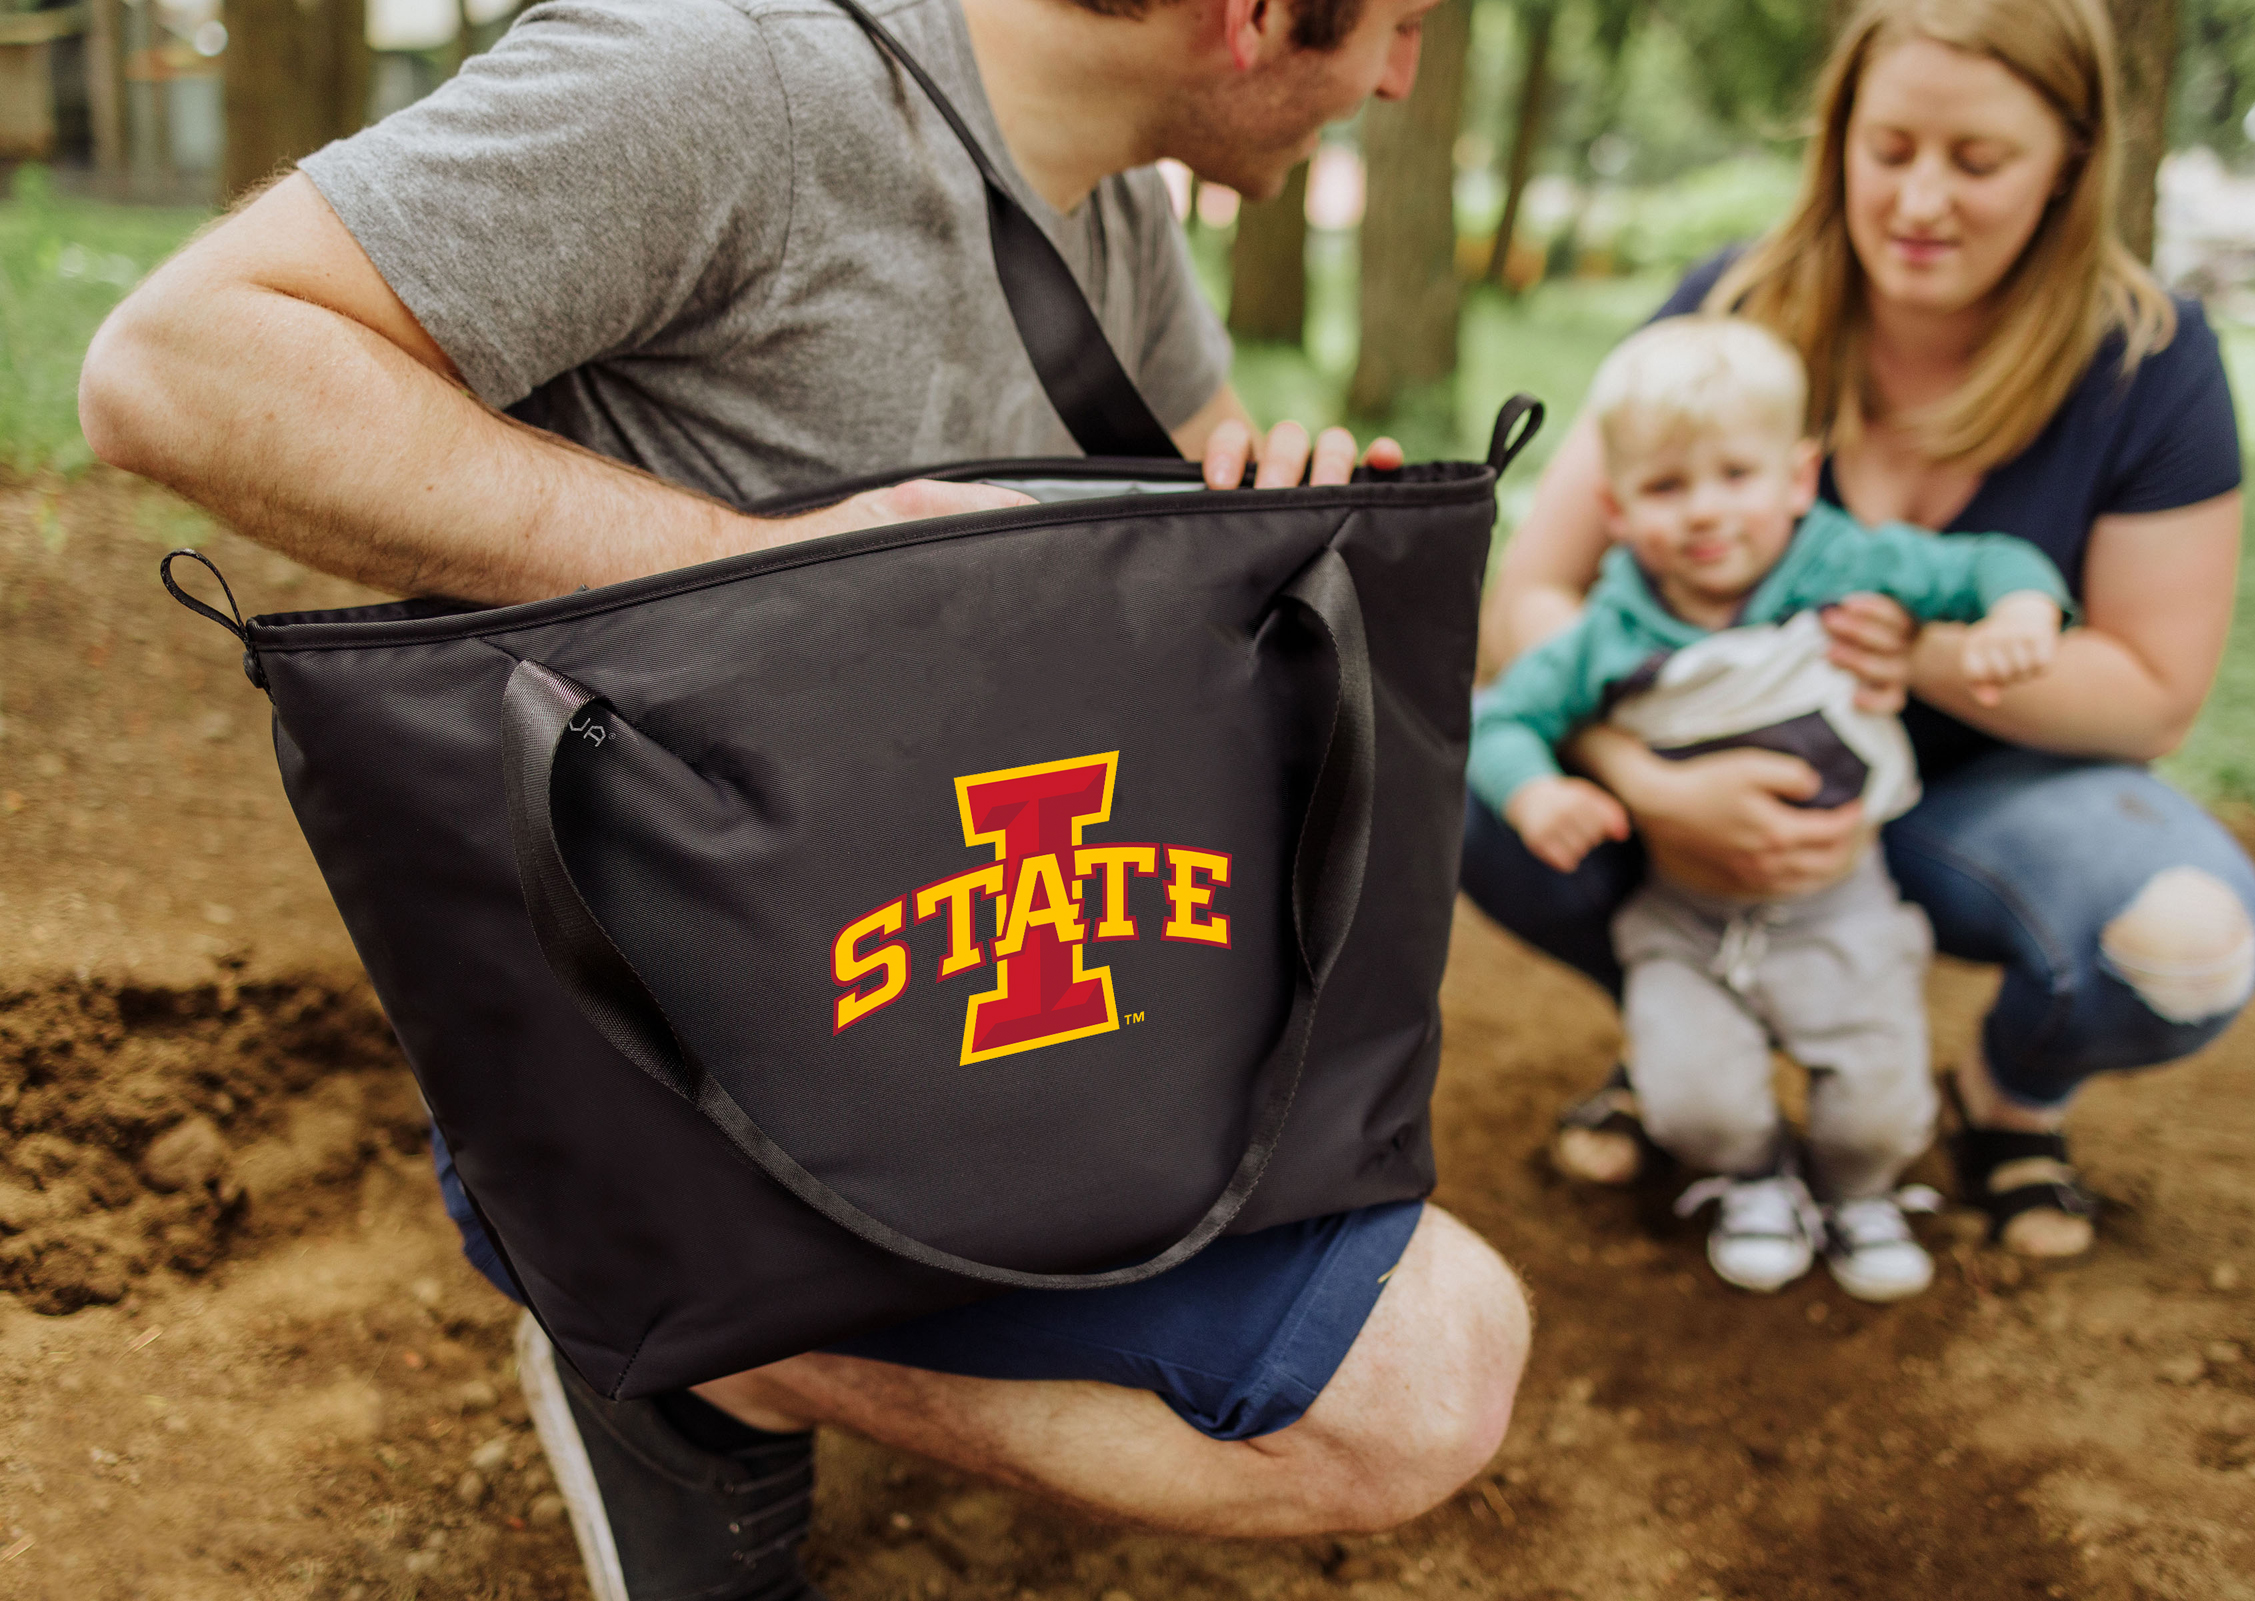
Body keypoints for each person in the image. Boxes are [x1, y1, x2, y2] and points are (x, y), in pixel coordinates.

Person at [76, 0, 1531, 1593]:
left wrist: (1261, 514)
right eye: (1395, 25)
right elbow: (174, 366)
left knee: (1433, 1358)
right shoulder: (727, 75)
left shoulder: (1117, 185)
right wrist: (745, 572)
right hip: (680, 1049)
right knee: (1415, 1385)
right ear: (1252, 16)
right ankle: (698, 1342)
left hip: (995, 985)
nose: (1403, 77)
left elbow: (1148, 553)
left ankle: (764, 1334)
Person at [1467, 0, 2255, 1269]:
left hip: (1982, 800)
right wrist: (1650, 776)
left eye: (1978, 161)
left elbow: (2153, 695)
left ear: (2072, 156)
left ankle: (2005, 1100)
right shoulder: (1728, 307)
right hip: (1704, 792)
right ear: (1838, 133)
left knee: (2188, 939)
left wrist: (1922, 657)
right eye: (1889, 148)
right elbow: (1533, 600)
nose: (1920, 200)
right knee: (1470, 773)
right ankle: (1693, 1036)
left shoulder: (2149, 359)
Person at [1470, 314, 2068, 1301]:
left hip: (1844, 905)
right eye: (1666, 487)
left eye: (1735, 476)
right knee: (1693, 1097)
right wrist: (1535, 791)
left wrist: (2020, 613)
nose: (1705, 512)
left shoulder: (1843, 564)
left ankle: (1860, 1188)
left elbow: (1992, 560)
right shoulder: (1614, 625)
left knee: (1878, 1101)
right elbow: (1505, 719)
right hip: (1685, 916)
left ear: (1798, 478)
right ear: (1615, 509)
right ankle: (1747, 1177)